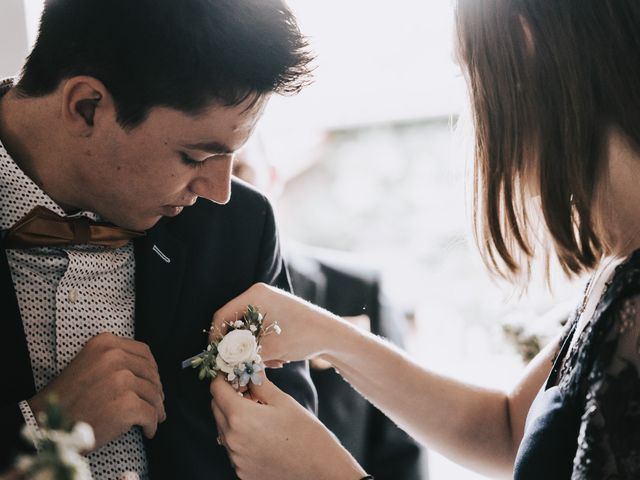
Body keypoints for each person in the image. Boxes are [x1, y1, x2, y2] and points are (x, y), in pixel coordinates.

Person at [209, 1, 640, 479]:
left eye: (470, 75)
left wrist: (318, 470)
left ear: (525, 48)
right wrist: (331, 338)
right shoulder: (620, 268)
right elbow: (507, 431)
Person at [0, 1, 316, 479]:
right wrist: (39, 430)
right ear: (86, 107)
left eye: (232, 155)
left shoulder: (239, 229)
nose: (220, 190)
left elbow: (291, 458)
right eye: (194, 156)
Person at [233, 148, 425, 479]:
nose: (229, 189)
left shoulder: (360, 290)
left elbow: (402, 451)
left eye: (241, 172)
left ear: (273, 177)